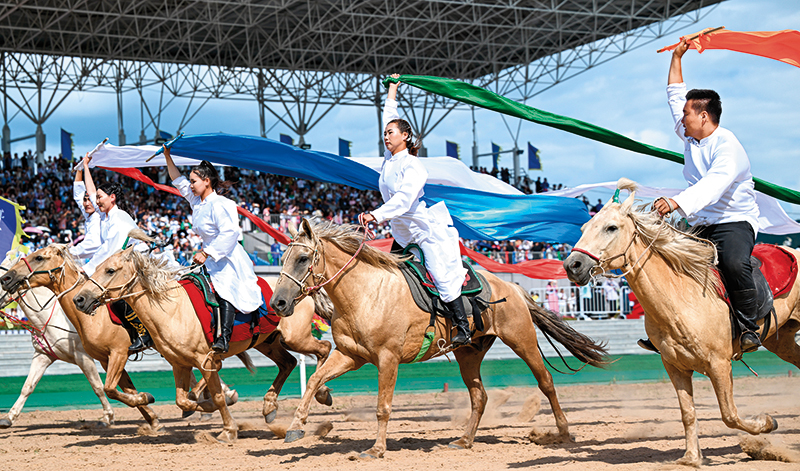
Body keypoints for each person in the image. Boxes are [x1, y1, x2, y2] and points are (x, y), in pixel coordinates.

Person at [640, 37, 761, 354]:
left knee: (734, 263)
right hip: (701, 221)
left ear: (704, 116)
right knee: (666, 259)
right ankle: (669, 330)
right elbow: (675, 97)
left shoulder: (727, 145)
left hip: (734, 221)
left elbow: (714, 184)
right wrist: (678, 56)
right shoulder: (690, 136)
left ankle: (749, 328)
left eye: (687, 114)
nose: (681, 118)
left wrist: (676, 202)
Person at [360, 74, 470, 347]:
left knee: (442, 276)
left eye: (391, 133)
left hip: (422, 231)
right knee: (385, 275)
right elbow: (389, 115)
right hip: (401, 233)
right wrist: (393, 90)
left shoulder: (414, 166)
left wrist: (376, 214)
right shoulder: (389, 159)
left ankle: (463, 327)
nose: (386, 136)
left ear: (406, 136)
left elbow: (404, 201)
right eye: (385, 133)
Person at [162, 146, 262, 354]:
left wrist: (207, 253)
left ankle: (223, 338)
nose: (190, 185)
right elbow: (177, 180)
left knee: (224, 289)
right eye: (190, 181)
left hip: (226, 257)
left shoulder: (221, 204)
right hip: (208, 257)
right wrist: (167, 157)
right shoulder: (197, 202)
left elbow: (230, 233)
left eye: (193, 181)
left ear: (206, 181)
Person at [80, 158, 153, 354]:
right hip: (122, 262)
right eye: (96, 198)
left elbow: (109, 250)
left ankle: (144, 334)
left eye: (100, 198)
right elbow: (92, 190)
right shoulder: (105, 214)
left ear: (112, 197)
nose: (96, 201)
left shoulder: (118, 218)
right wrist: (86, 166)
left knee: (117, 296)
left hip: (138, 262)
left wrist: (87, 269)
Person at [68, 153, 101, 260]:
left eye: (89, 200)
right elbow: (78, 192)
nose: (86, 204)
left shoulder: (98, 216)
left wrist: (66, 253)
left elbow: (92, 244)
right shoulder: (89, 211)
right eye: (85, 200)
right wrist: (80, 168)